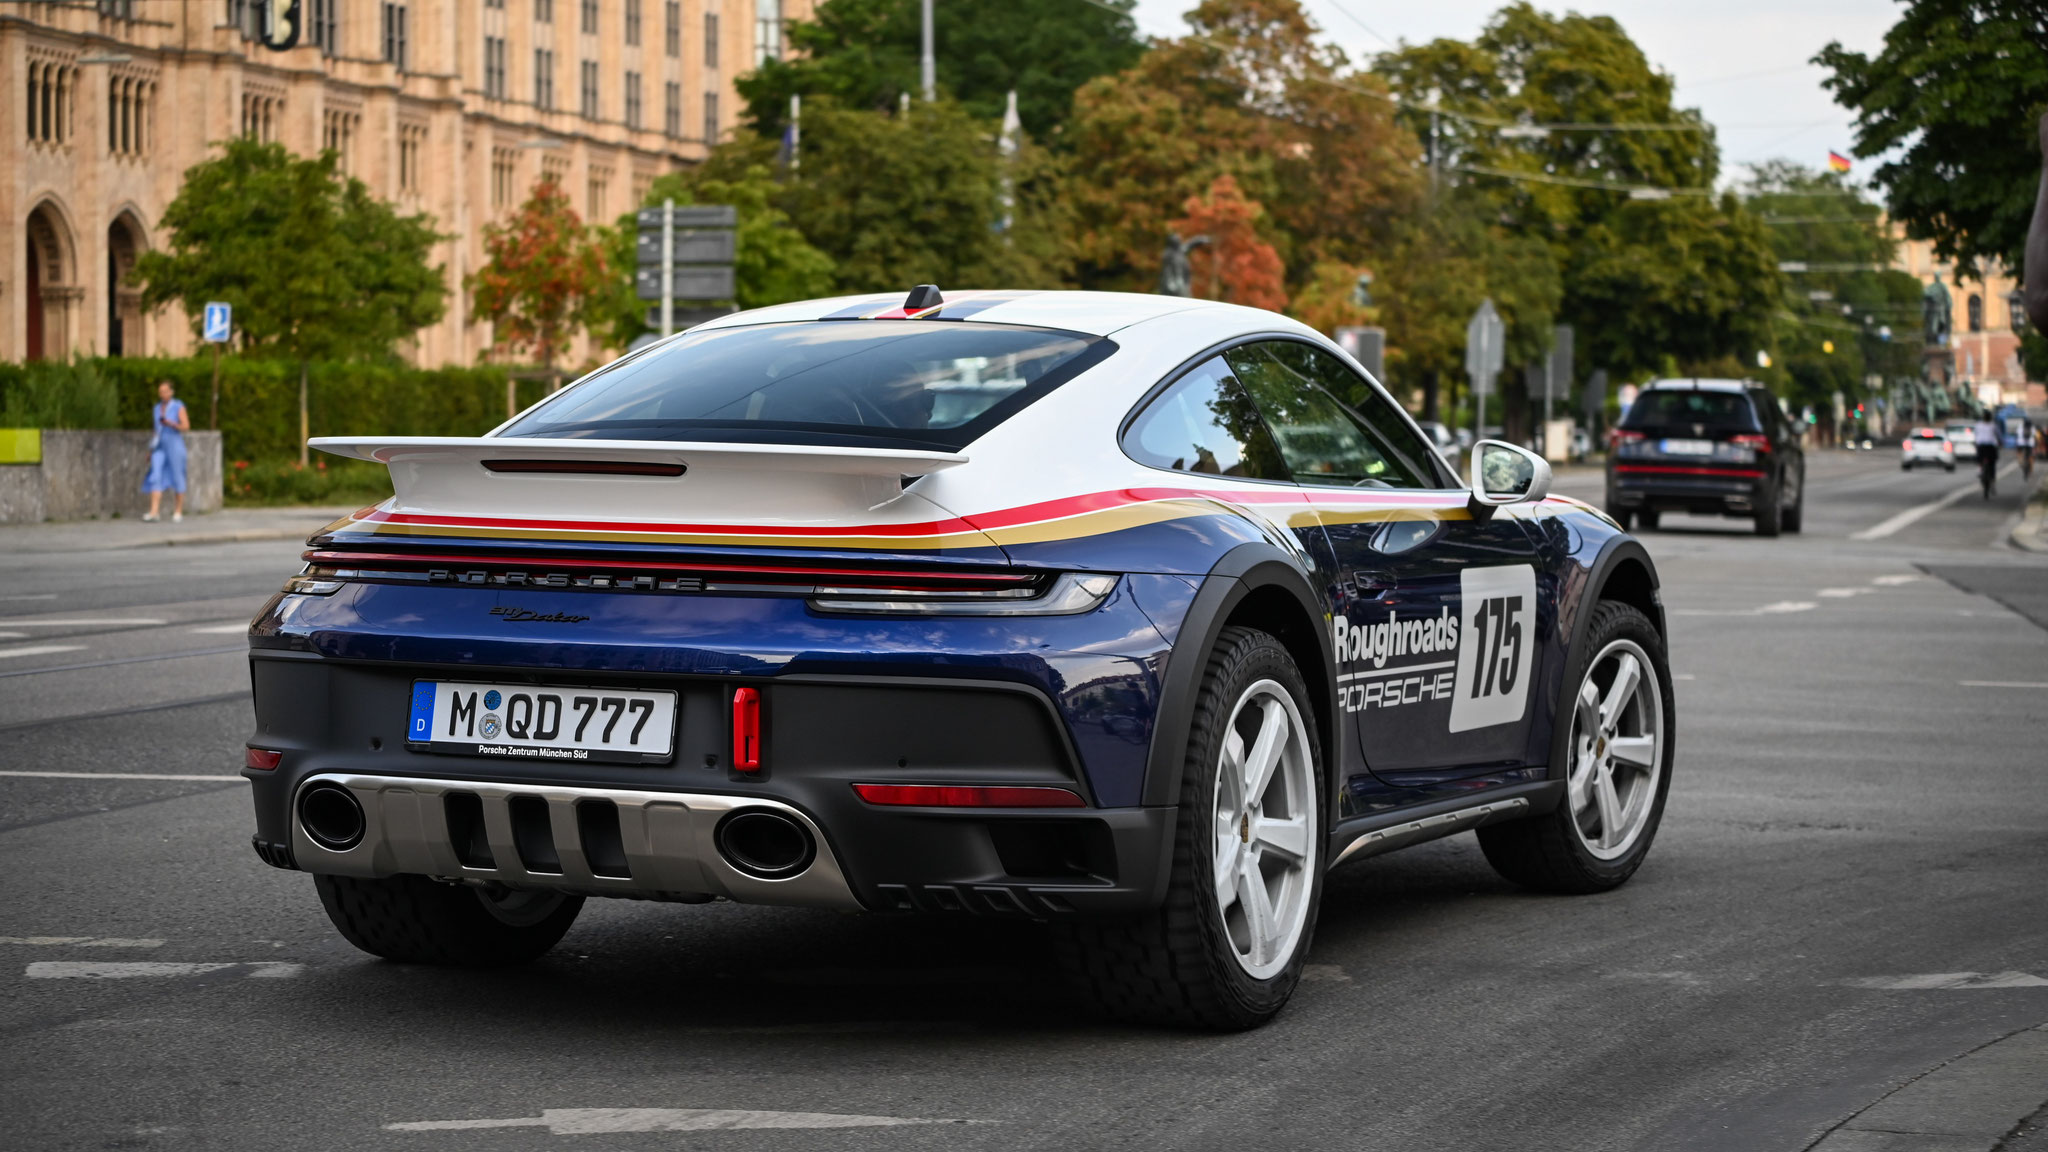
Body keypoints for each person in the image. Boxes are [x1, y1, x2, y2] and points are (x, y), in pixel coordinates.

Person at [141, 379, 189, 522]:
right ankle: (154, 511)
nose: (163, 394)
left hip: (174, 443)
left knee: (177, 475)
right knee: (155, 474)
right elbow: (156, 431)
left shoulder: (178, 406)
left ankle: (178, 511)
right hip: (160, 445)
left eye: (165, 391)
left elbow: (186, 426)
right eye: (160, 392)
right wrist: (151, 450)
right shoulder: (156, 408)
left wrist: (171, 424)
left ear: (171, 392)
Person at [1972, 413, 2000, 498]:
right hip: (1991, 447)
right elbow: (1999, 436)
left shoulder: (1978, 425)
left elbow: (1975, 435)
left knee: (1979, 460)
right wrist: (2002, 443)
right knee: (1992, 464)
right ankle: (1992, 482)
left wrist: (1975, 442)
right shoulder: (1993, 425)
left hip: (1981, 446)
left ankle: (1980, 470)